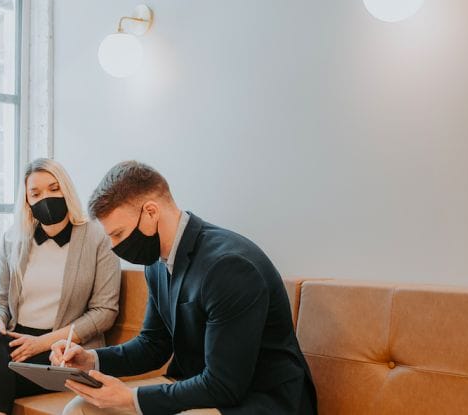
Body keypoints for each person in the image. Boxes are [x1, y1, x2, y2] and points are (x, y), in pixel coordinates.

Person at [51, 161, 317, 414]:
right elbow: (153, 345)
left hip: (260, 400)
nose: (114, 246)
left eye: (118, 234)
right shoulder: (155, 263)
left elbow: (225, 385)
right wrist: (90, 359)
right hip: (205, 390)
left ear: (151, 212)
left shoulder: (228, 267)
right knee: (80, 409)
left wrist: (131, 398)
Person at [0, 158, 121, 415]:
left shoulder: (97, 237)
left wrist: (41, 344)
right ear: (26, 200)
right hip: (18, 342)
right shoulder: (12, 238)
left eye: (54, 188)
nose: (46, 198)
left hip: (63, 347)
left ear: (66, 189)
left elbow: (105, 312)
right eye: (35, 193)